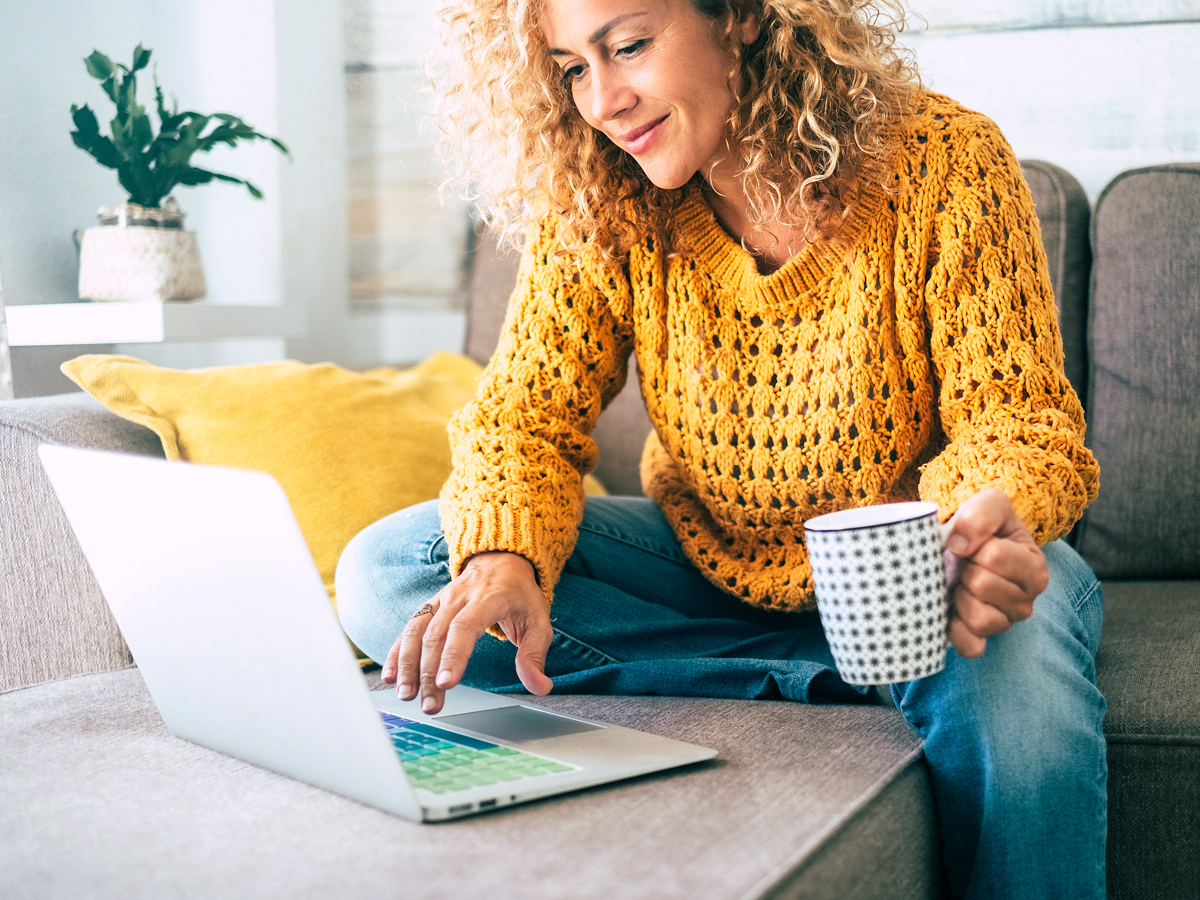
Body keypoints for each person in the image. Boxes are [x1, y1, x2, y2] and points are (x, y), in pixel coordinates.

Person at [335, 1, 1106, 897]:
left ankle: (871, 664)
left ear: (741, 15)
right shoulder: (601, 195)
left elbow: (1019, 423)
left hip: (920, 577)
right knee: (390, 572)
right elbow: (522, 419)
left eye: (627, 46)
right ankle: (846, 677)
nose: (604, 101)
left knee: (1015, 652)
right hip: (712, 567)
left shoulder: (947, 164)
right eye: (572, 68)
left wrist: (973, 534)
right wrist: (506, 555)